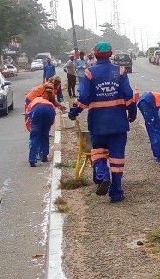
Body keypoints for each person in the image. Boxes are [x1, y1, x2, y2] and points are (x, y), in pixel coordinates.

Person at [68, 41, 137, 203]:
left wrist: (73, 112)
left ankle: (103, 175)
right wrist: (132, 113)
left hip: (98, 124)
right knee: (117, 158)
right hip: (119, 123)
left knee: (98, 152)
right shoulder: (120, 71)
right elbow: (128, 95)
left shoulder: (90, 73)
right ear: (111, 54)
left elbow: (84, 98)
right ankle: (116, 191)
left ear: (95, 55)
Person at [27, 96, 57, 167]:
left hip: (37, 111)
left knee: (35, 137)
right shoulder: (49, 103)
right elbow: (52, 121)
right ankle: (44, 157)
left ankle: (32, 160)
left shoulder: (33, 102)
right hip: (50, 110)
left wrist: (32, 129)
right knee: (45, 135)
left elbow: (28, 118)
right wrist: (47, 127)